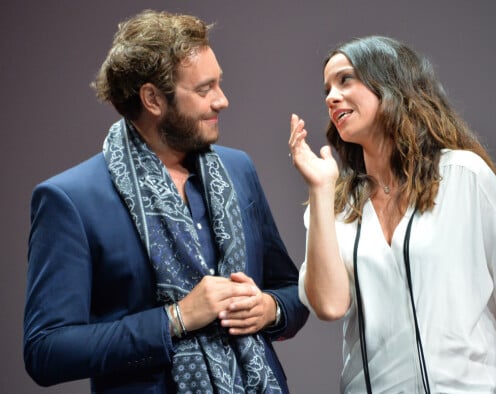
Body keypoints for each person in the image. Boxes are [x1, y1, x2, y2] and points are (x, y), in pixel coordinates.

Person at [24, 9, 308, 393]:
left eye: (219, 84)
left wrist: (270, 309)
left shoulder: (238, 170)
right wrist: (175, 319)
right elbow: (46, 350)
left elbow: (292, 289)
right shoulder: (70, 200)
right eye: (205, 89)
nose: (222, 100)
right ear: (153, 99)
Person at [289, 35, 496, 393]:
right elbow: (330, 306)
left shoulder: (462, 175)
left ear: (391, 84)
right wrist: (319, 190)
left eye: (346, 79)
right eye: (327, 89)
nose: (331, 97)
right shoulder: (336, 204)